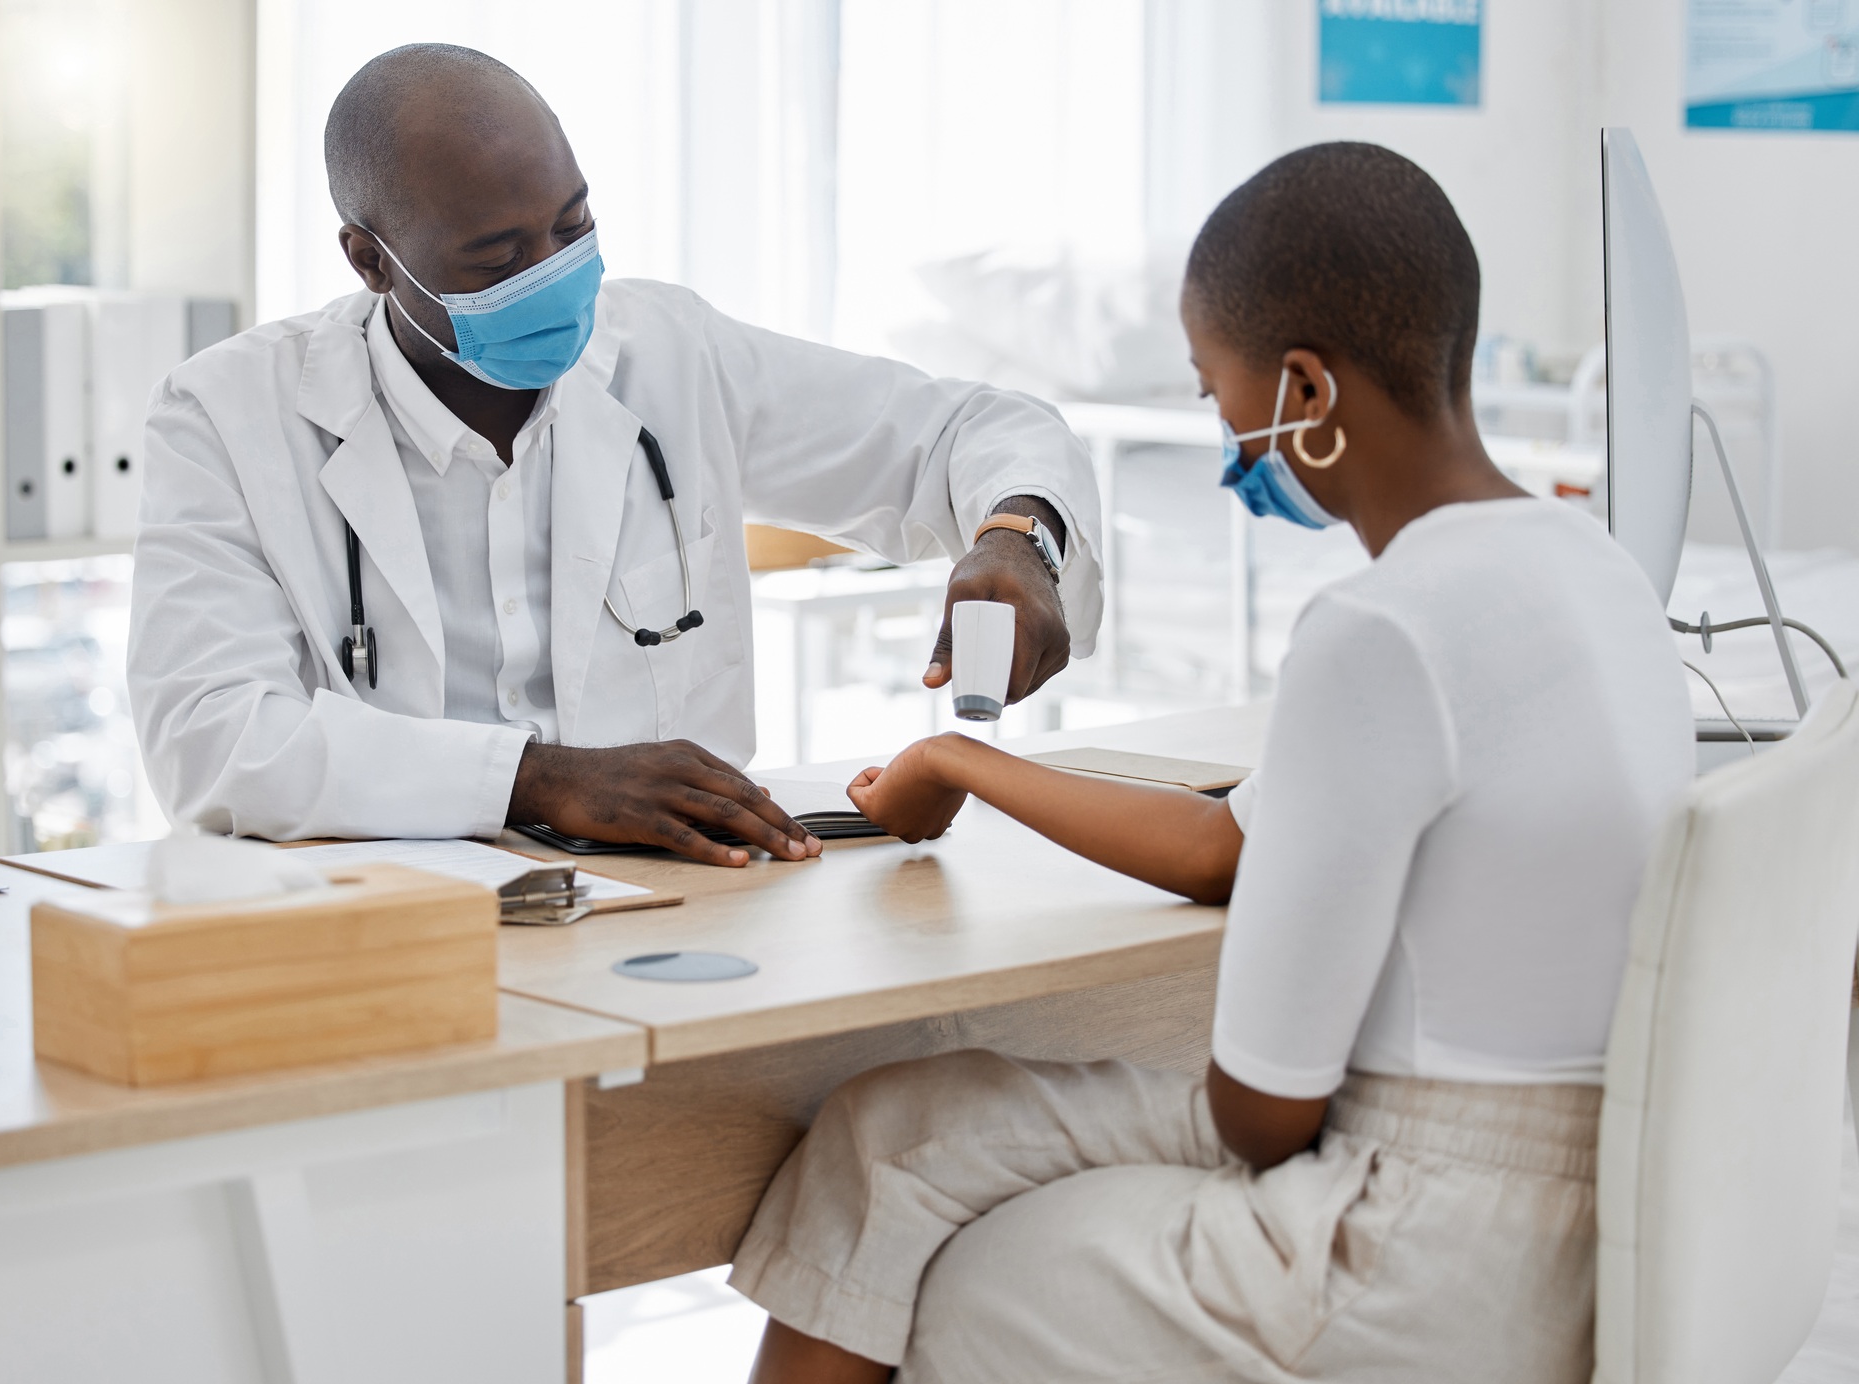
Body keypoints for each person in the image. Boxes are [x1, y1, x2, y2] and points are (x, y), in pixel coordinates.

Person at [729, 143, 1695, 1383]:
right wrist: (962, 761)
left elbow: (1261, 1115)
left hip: (1413, 1249)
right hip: (1580, 1212)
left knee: (945, 1239)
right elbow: (1229, 848)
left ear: (1304, 385)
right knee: (891, 1131)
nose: (1229, 438)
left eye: (1214, 395)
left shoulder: (1378, 631)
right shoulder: (1593, 571)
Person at [127, 44, 1099, 862]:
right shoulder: (225, 417)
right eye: (499, 259)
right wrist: (537, 779)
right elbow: (210, 740)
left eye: (572, 224)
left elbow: (968, 429)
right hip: (386, 935)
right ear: (371, 260)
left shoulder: (674, 355)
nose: (552, 272)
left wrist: (1020, 535)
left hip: (682, 901)